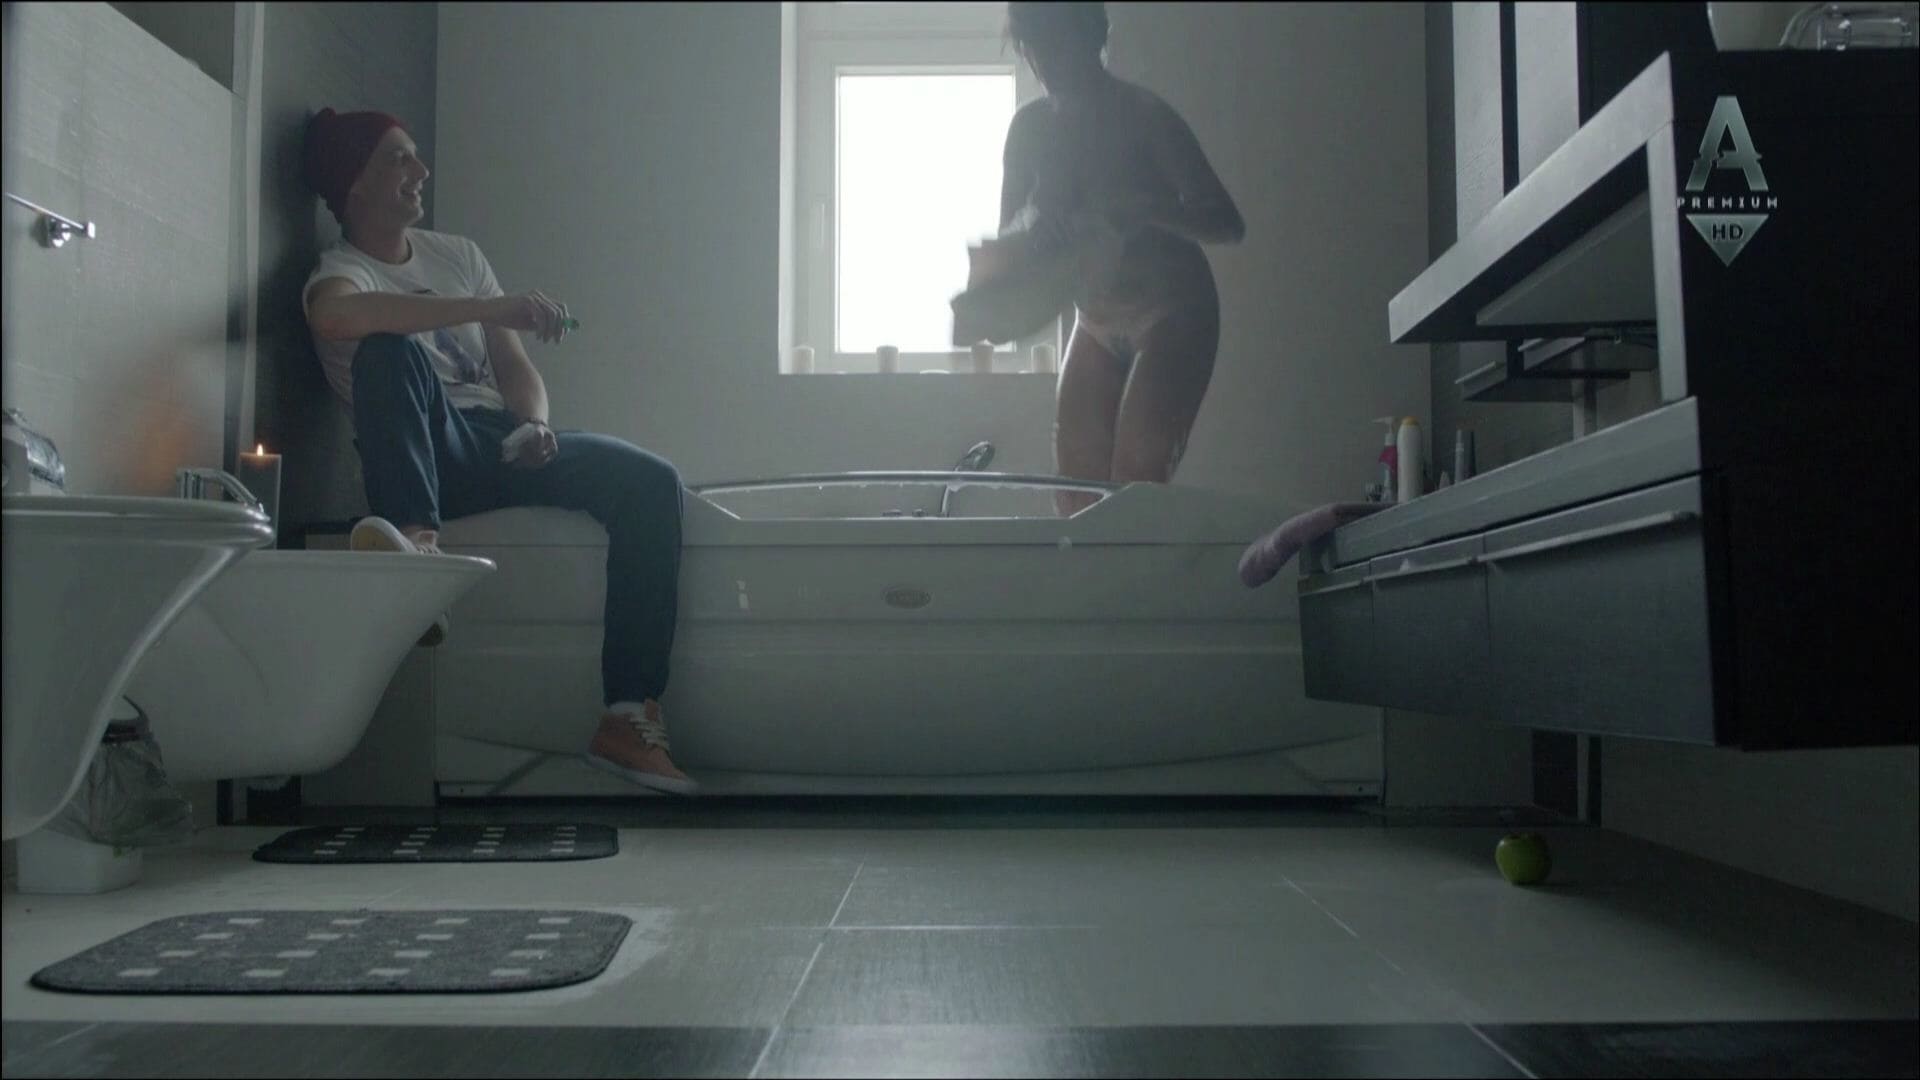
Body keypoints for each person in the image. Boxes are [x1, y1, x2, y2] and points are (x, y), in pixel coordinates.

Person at [299, 108, 695, 795]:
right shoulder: (341, 272)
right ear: (354, 182)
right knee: (388, 352)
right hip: (428, 454)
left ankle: (627, 718)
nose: (420, 171)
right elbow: (336, 318)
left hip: (498, 440)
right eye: (398, 158)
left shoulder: (457, 255)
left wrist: (534, 426)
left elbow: (514, 369)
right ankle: (417, 556)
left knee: (650, 482)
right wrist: (487, 308)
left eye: (416, 155)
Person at [997, 2, 1244, 516]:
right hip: (1095, 319)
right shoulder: (1029, 131)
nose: (1046, 63)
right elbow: (1009, 236)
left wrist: (1148, 209)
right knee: (1074, 497)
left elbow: (1227, 221)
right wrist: (1036, 225)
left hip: (1173, 309)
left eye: (1056, 45)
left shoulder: (1144, 115)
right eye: (1033, 48)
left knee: (1136, 483)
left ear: (1092, 38)